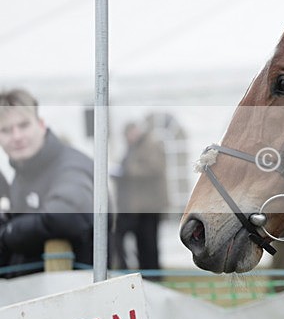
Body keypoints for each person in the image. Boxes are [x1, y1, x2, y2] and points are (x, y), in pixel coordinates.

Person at [0, 89, 94, 277]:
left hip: (82, 297)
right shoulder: (21, 174)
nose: (16, 136)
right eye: (5, 130)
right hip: (32, 296)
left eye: (24, 125)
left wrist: (8, 233)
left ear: (41, 124)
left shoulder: (72, 166)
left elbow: (65, 217)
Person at [111, 120, 168, 270]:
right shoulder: (134, 147)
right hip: (137, 207)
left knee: (149, 244)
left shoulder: (152, 145)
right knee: (142, 243)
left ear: (135, 132)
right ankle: (145, 274)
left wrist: (129, 171)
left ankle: (154, 275)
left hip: (150, 205)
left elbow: (155, 168)